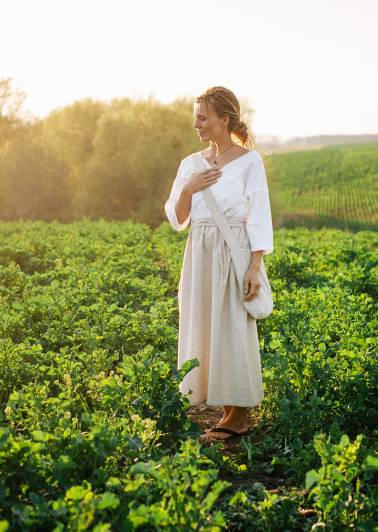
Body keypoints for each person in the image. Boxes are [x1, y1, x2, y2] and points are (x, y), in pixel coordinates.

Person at [163, 86, 274, 444]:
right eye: (195, 117)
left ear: (224, 119)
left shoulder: (249, 161)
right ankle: (224, 408)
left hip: (232, 249)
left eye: (203, 117)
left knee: (232, 326)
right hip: (199, 250)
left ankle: (239, 416)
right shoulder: (190, 165)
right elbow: (177, 218)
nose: (196, 123)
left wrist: (255, 265)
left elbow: (258, 214)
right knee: (205, 324)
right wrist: (187, 189)